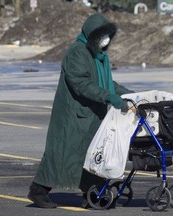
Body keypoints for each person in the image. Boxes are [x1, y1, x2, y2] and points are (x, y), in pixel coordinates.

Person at [27, 13, 133, 208]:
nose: (106, 39)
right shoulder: (77, 52)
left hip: (91, 115)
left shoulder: (100, 56)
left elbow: (107, 83)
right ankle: (38, 191)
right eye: (102, 35)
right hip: (72, 115)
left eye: (108, 35)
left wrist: (128, 94)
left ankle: (90, 196)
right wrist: (109, 97)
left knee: (93, 155)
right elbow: (81, 84)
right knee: (60, 154)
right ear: (91, 35)